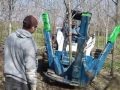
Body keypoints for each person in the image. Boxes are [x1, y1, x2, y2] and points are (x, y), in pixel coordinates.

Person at [4, 15, 38, 90]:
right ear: (32, 27)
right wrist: (33, 86)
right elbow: (30, 69)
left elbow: (6, 57)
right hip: (21, 83)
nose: (36, 29)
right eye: (36, 27)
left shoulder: (10, 37)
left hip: (8, 80)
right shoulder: (30, 43)